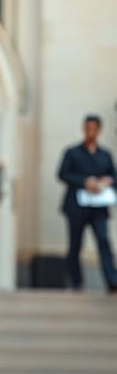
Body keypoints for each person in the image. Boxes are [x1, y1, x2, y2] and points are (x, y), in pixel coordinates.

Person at [57, 114, 117, 292]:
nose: (90, 131)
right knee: (75, 244)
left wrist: (108, 181)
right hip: (77, 206)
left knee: (103, 240)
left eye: (94, 128)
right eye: (87, 128)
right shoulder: (72, 152)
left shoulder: (105, 155)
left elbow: (114, 176)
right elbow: (63, 174)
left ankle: (112, 279)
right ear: (84, 129)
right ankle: (76, 282)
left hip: (98, 207)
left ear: (98, 130)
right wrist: (84, 182)